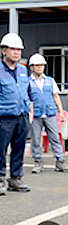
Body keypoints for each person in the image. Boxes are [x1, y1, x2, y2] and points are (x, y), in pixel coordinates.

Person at [28, 53, 68, 174]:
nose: (40, 68)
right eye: (37, 65)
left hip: (50, 113)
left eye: (42, 65)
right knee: (36, 140)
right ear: (31, 67)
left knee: (55, 138)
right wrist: (29, 113)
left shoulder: (50, 81)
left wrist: (61, 112)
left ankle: (60, 161)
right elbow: (26, 99)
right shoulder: (28, 82)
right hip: (36, 114)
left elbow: (56, 96)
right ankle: (38, 162)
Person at [0, 33, 32, 195]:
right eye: (12, 49)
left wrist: (29, 112)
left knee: (19, 148)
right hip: (4, 118)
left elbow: (28, 92)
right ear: (4, 51)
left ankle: (15, 179)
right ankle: (0, 179)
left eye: (18, 50)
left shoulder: (23, 70)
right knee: (0, 149)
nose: (16, 53)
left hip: (22, 116)